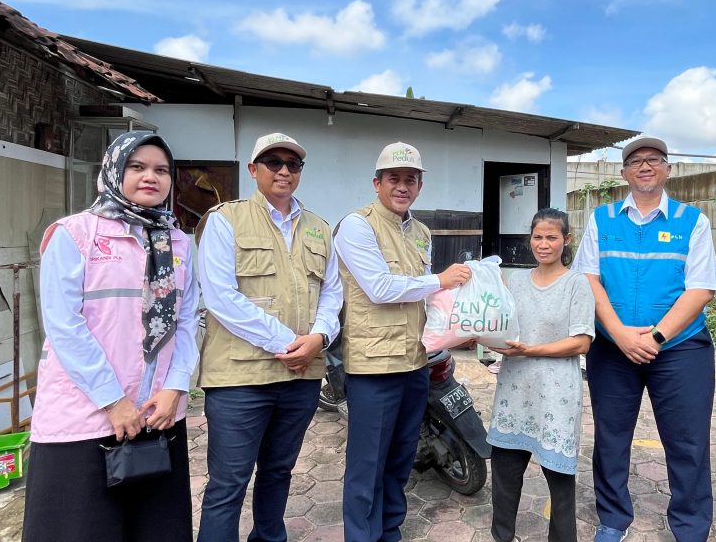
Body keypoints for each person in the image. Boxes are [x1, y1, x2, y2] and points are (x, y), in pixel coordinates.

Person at [23, 131, 200, 542]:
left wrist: (175, 388)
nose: (150, 177)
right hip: (85, 418)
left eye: (161, 170)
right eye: (137, 167)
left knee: (157, 529)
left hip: (157, 412)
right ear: (114, 170)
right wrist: (114, 402)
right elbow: (64, 326)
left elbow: (187, 320)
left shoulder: (176, 240)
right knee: (83, 529)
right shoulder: (74, 234)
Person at [572, 136, 716, 542]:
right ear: (623, 173)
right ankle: (613, 518)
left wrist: (655, 337)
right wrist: (619, 334)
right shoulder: (602, 219)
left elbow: (702, 288)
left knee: (688, 442)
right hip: (612, 348)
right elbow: (588, 279)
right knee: (611, 438)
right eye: (635, 161)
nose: (644, 166)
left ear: (668, 168)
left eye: (653, 160)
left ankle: (690, 527)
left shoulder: (692, 220)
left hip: (679, 349)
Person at [195, 133, 343, 542]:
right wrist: (289, 342)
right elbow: (220, 296)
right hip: (239, 378)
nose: (283, 170)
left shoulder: (319, 228)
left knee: (278, 472)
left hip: (300, 376)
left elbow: (332, 291)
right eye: (273, 162)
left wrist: (319, 337)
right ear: (253, 169)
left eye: (292, 164)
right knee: (228, 483)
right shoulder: (225, 220)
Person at [333, 141, 472, 542]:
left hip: (416, 360)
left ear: (420, 186)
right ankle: (362, 535)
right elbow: (379, 287)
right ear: (377, 183)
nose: (402, 186)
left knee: (400, 457)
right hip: (375, 365)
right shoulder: (357, 226)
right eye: (393, 178)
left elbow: (426, 295)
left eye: (410, 179)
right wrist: (440, 280)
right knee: (367, 462)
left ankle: (389, 529)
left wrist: (468, 314)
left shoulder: (422, 232)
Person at [488, 208, 594, 542]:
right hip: (515, 392)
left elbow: (581, 342)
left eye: (551, 237)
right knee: (504, 476)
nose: (543, 244)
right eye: (537, 237)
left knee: (560, 481)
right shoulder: (515, 281)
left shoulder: (577, 284)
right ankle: (501, 536)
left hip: (556, 395)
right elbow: (496, 321)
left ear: (567, 240)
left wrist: (530, 350)